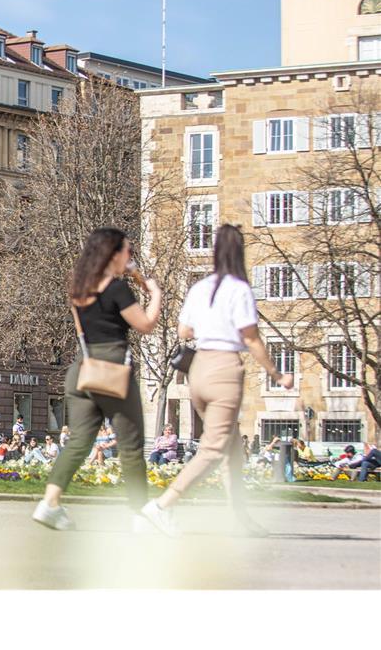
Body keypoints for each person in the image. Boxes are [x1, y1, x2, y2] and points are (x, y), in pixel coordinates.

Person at [141, 225, 293, 538]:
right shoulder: (238, 288)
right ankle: (162, 506)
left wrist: (210, 326)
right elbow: (251, 338)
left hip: (198, 370)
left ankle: (239, 518)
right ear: (239, 252)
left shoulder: (200, 288)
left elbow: (184, 330)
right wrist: (277, 375)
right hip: (224, 370)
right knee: (212, 449)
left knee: (232, 448)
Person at [33, 227, 162, 532]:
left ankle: (49, 504)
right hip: (112, 366)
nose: (131, 256)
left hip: (83, 368)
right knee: (131, 445)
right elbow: (145, 324)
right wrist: (155, 294)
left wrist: (133, 275)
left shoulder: (79, 289)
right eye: (128, 251)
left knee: (78, 441)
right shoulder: (116, 289)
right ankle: (139, 514)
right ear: (113, 254)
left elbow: (83, 332)